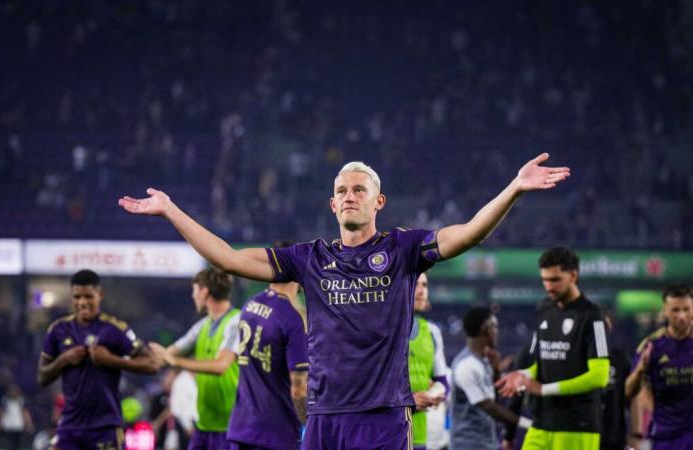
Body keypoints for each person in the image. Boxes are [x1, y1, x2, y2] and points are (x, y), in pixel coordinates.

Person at [120, 154, 569, 447]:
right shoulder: (309, 258)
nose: (349, 196)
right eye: (341, 191)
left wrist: (514, 188)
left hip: (383, 417)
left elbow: (466, 234)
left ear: (379, 202)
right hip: (324, 417)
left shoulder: (403, 249)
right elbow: (231, 259)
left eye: (358, 190)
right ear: (333, 206)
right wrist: (171, 211)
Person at [495, 247, 610, 450]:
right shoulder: (543, 309)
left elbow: (599, 376)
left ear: (573, 275)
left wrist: (544, 389)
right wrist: (521, 376)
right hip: (541, 423)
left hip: (577, 427)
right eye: (545, 280)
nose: (549, 286)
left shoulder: (593, 316)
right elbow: (540, 362)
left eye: (555, 279)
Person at [37, 269, 159, 450]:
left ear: (100, 295)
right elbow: (42, 377)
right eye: (77, 297)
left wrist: (111, 360)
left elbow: (152, 364)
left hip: (105, 427)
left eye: (88, 296)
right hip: (69, 426)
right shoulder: (58, 330)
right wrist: (63, 359)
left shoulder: (114, 328)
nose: (82, 302)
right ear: (71, 297)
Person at [227, 248, 309, 450]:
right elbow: (298, 388)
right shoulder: (291, 318)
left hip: (242, 425)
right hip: (274, 431)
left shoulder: (250, 304)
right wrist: (310, 424)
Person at [149, 268, 240, 450]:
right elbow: (168, 354)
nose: (193, 296)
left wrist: (174, 361)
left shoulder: (237, 321)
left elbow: (220, 366)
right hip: (204, 424)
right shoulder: (201, 326)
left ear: (204, 291)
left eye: (194, 290)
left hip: (231, 426)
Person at [451, 307, 533, 450]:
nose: (497, 332)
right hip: (467, 445)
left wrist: (495, 371)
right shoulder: (467, 365)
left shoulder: (483, 362)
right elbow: (490, 407)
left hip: (486, 443)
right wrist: (530, 424)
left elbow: (493, 401)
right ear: (486, 329)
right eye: (495, 326)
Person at [624, 283, 693, 450]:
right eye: (676, 310)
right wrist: (640, 370)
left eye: (686, 309)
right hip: (665, 433)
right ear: (665, 310)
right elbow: (629, 391)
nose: (682, 316)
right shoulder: (651, 346)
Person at [409, 272, 450, 450]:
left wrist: (428, 396)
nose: (421, 291)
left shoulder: (432, 332)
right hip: (384, 432)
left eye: (424, 285)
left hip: (419, 436)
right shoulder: (380, 329)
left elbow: (442, 383)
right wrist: (408, 403)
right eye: (415, 284)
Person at [599, 308, 631, 450]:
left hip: (614, 436)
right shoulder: (575, 360)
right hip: (584, 435)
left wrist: (635, 434)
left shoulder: (620, 359)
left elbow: (632, 398)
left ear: (609, 326)